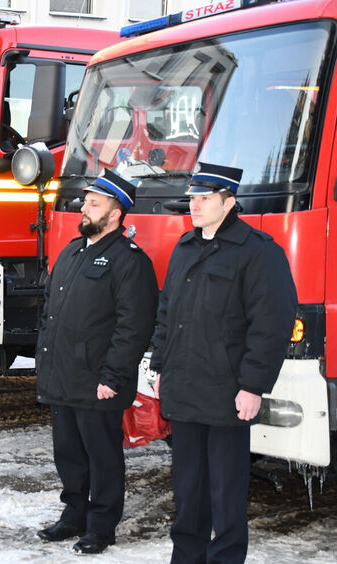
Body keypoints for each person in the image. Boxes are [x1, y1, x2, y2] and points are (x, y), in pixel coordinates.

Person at [150, 162, 297, 563]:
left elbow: (271, 326)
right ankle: (187, 557)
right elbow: (167, 314)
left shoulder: (259, 253)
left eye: (203, 199)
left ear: (229, 202)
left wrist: (253, 386)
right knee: (187, 488)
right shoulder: (184, 248)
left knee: (226, 491)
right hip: (183, 387)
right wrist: (160, 366)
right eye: (192, 198)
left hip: (227, 393)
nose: (194, 206)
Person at [34, 169, 158, 554]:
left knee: (102, 457)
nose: (83, 209)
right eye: (85, 202)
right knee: (68, 453)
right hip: (62, 375)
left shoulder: (129, 261)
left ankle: (102, 526)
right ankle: (73, 515)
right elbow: (50, 311)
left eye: (93, 204)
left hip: (98, 380)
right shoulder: (72, 251)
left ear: (115, 214)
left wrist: (114, 376)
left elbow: (132, 328)